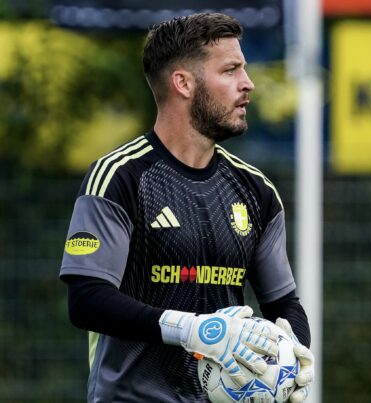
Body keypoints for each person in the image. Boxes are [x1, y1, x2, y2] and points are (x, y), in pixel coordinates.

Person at [60, 12, 313, 402]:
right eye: (230, 70)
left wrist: (290, 355)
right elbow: (87, 301)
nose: (248, 83)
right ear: (183, 83)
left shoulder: (257, 191)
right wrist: (191, 330)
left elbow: (284, 303)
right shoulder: (119, 177)